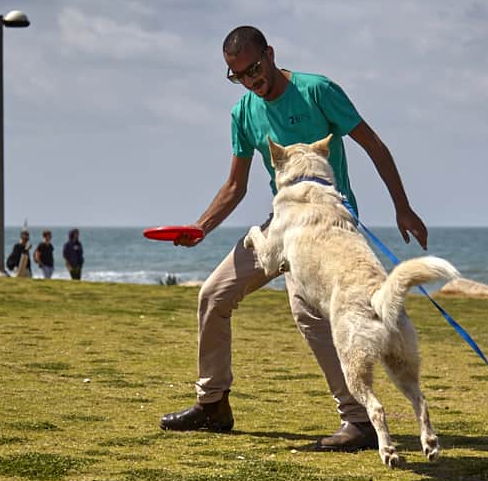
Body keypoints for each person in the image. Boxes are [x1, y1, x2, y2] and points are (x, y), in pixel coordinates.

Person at [159, 26, 429, 453]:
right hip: (281, 227)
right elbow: (235, 186)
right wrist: (201, 226)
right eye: (238, 76)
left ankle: (357, 422)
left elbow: (373, 145)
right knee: (213, 295)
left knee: (314, 320)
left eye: (254, 69)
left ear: (270, 53)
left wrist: (403, 206)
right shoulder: (243, 113)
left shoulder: (318, 91)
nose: (250, 81)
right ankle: (212, 404)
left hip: (328, 225)